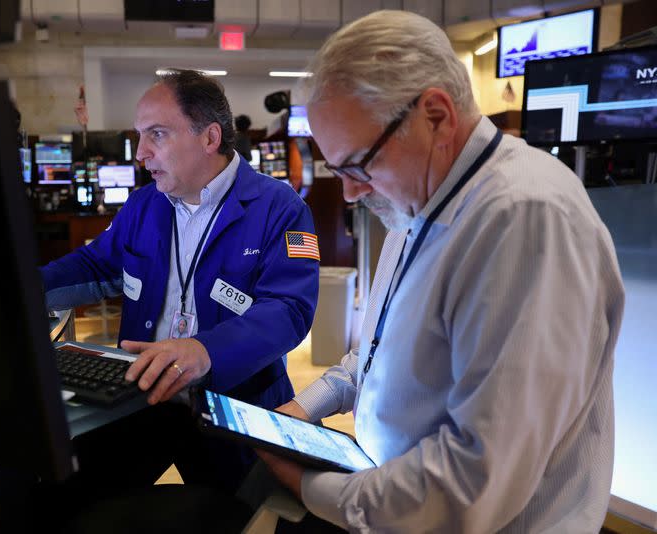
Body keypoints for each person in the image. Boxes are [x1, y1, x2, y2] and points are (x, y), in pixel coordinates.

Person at [256, 10, 625, 533]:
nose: (351, 192)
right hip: (392, 501)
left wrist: (310, 485)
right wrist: (303, 408)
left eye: (359, 165)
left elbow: (474, 481)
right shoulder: (419, 202)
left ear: (436, 115)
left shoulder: (524, 219)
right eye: (338, 171)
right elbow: (382, 354)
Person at [39, 69, 319, 498]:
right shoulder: (144, 205)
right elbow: (95, 268)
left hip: (234, 403)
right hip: (143, 396)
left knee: (234, 514)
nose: (140, 154)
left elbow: (288, 309)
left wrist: (206, 350)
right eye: (139, 136)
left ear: (209, 138)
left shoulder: (279, 208)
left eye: (157, 135)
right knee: (67, 494)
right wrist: (19, 290)